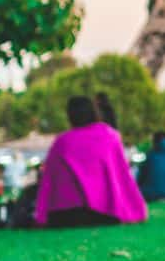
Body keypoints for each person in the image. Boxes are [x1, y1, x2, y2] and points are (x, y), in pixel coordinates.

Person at [34, 96, 147, 228]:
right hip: (104, 214)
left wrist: (40, 217)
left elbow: (48, 181)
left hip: (63, 216)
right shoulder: (110, 136)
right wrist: (136, 209)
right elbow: (123, 177)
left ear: (70, 116)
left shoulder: (62, 142)